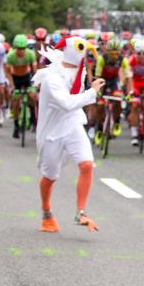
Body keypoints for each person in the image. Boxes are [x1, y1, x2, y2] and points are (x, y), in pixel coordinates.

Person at [32, 36, 103, 233]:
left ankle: (81, 212)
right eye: (83, 50)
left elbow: (73, 105)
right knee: (50, 176)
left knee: (87, 164)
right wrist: (92, 92)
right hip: (51, 133)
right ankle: (46, 212)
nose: (86, 56)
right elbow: (67, 103)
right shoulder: (52, 79)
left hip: (72, 124)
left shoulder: (78, 72)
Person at [6, 34, 38, 138]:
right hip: (15, 78)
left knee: (33, 96)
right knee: (15, 100)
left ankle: (33, 117)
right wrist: (12, 86)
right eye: (19, 49)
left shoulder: (30, 54)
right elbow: (8, 73)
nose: (21, 51)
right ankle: (16, 125)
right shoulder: (10, 56)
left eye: (23, 48)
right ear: (15, 48)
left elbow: (34, 69)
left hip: (26, 77)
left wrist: (36, 83)